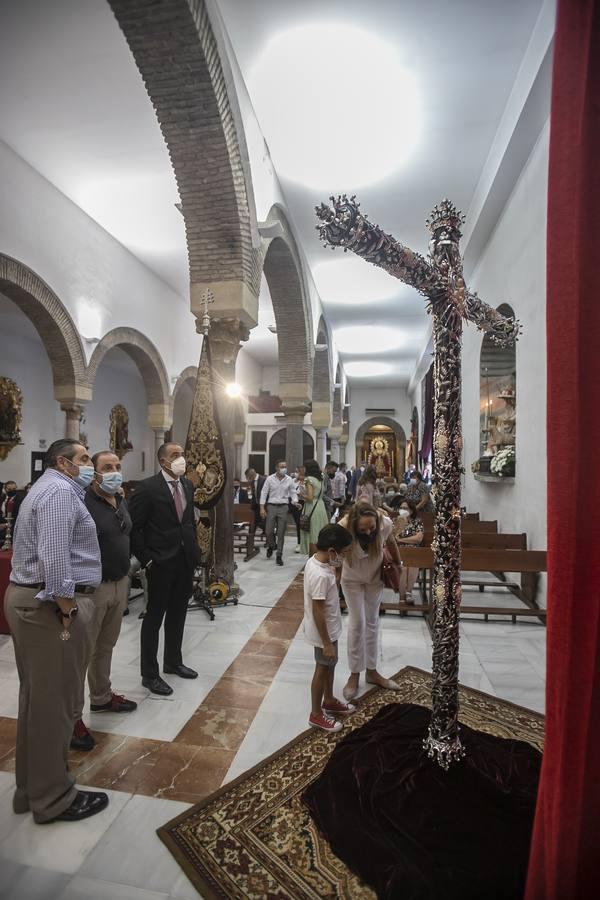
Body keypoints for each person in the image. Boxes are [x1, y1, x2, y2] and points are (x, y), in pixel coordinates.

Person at [4, 438, 108, 824]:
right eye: (84, 459)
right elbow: (55, 552)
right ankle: (54, 799)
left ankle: (31, 790)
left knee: (38, 700)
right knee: (56, 706)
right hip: (48, 606)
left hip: (32, 600)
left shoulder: (45, 488)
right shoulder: (61, 492)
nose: (90, 466)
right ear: (63, 463)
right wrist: (67, 606)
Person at [71, 450, 137, 752]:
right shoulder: (82, 501)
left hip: (119, 581)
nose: (113, 471)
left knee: (106, 645)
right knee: (80, 653)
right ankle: (72, 718)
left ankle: (101, 697)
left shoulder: (119, 499)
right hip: (92, 588)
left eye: (117, 466)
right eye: (106, 467)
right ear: (94, 472)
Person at [129, 442, 200, 696]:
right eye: (175, 455)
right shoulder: (147, 488)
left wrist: (194, 551)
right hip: (159, 561)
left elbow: (188, 521)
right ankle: (150, 674)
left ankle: (173, 661)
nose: (181, 458)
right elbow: (134, 528)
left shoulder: (187, 485)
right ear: (162, 461)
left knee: (179, 613)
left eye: (182, 454)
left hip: (184, 559)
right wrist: (146, 559)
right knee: (154, 617)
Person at [338, 502, 402, 701]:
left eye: (371, 528)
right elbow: (334, 554)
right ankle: (354, 674)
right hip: (351, 580)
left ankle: (372, 672)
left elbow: (391, 542)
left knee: (372, 623)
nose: (368, 532)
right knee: (357, 624)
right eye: (362, 530)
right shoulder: (343, 527)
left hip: (374, 578)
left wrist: (398, 565)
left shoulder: (384, 523)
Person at [303, 524, 355, 732]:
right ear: (333, 551)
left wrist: (339, 568)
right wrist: (326, 643)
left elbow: (334, 584)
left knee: (330, 664)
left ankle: (330, 699)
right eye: (344, 553)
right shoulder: (320, 575)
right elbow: (317, 610)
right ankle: (316, 714)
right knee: (322, 668)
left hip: (329, 628)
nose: (345, 557)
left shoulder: (319, 564)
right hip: (322, 632)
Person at [260, 460, 297, 566]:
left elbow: (293, 492)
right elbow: (264, 492)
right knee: (268, 531)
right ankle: (271, 545)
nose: (284, 468)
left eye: (285, 466)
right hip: (271, 506)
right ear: (276, 468)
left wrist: (295, 502)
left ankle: (279, 555)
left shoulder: (289, 479)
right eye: (281, 466)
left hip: (283, 507)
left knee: (281, 533)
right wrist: (262, 508)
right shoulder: (270, 479)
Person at [392, 496, 424, 604]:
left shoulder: (417, 522)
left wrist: (401, 540)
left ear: (411, 510)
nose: (403, 510)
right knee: (403, 568)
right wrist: (400, 525)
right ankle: (402, 597)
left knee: (413, 566)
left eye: (405, 508)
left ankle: (408, 592)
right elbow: (392, 538)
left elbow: (418, 538)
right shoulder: (395, 521)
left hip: (413, 551)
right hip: (398, 551)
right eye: (401, 508)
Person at [300, 459, 330, 556]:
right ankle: (320, 556)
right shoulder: (320, 478)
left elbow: (309, 497)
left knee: (312, 534)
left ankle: (312, 559)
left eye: (304, 467)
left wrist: (301, 495)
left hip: (311, 506)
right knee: (319, 532)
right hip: (320, 506)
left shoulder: (309, 479)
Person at [291, 465, 307, 553]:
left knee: (304, 523)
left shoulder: (307, 481)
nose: (296, 473)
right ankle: (299, 543)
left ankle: (305, 542)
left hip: (304, 503)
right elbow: (291, 491)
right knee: (298, 523)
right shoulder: (293, 481)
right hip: (295, 504)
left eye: (298, 471)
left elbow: (307, 493)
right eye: (296, 471)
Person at [245, 467, 266, 534]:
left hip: (264, 505)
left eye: (247, 476)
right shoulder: (252, 481)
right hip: (256, 505)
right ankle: (250, 541)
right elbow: (254, 494)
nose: (247, 478)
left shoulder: (263, 479)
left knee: (265, 522)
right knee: (253, 522)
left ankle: (269, 541)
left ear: (251, 474)